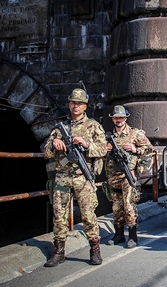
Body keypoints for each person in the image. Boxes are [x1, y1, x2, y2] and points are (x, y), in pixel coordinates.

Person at [44, 88, 107, 267]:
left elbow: (103, 150)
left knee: (88, 215)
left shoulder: (93, 126)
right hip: (63, 176)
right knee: (59, 215)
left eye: (79, 103)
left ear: (85, 106)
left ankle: (95, 249)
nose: (75, 106)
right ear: (69, 104)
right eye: (73, 103)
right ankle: (59, 251)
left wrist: (86, 144)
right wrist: (54, 144)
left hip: (82, 177)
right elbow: (46, 153)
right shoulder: (60, 128)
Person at [104, 105, 153, 248]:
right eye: (116, 117)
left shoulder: (135, 134)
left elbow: (149, 149)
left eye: (121, 117)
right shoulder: (108, 136)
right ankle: (118, 234)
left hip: (128, 174)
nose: (118, 120)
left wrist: (135, 149)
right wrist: (105, 149)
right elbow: (98, 152)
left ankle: (132, 236)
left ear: (125, 118)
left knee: (128, 204)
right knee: (116, 206)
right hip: (113, 175)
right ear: (112, 119)